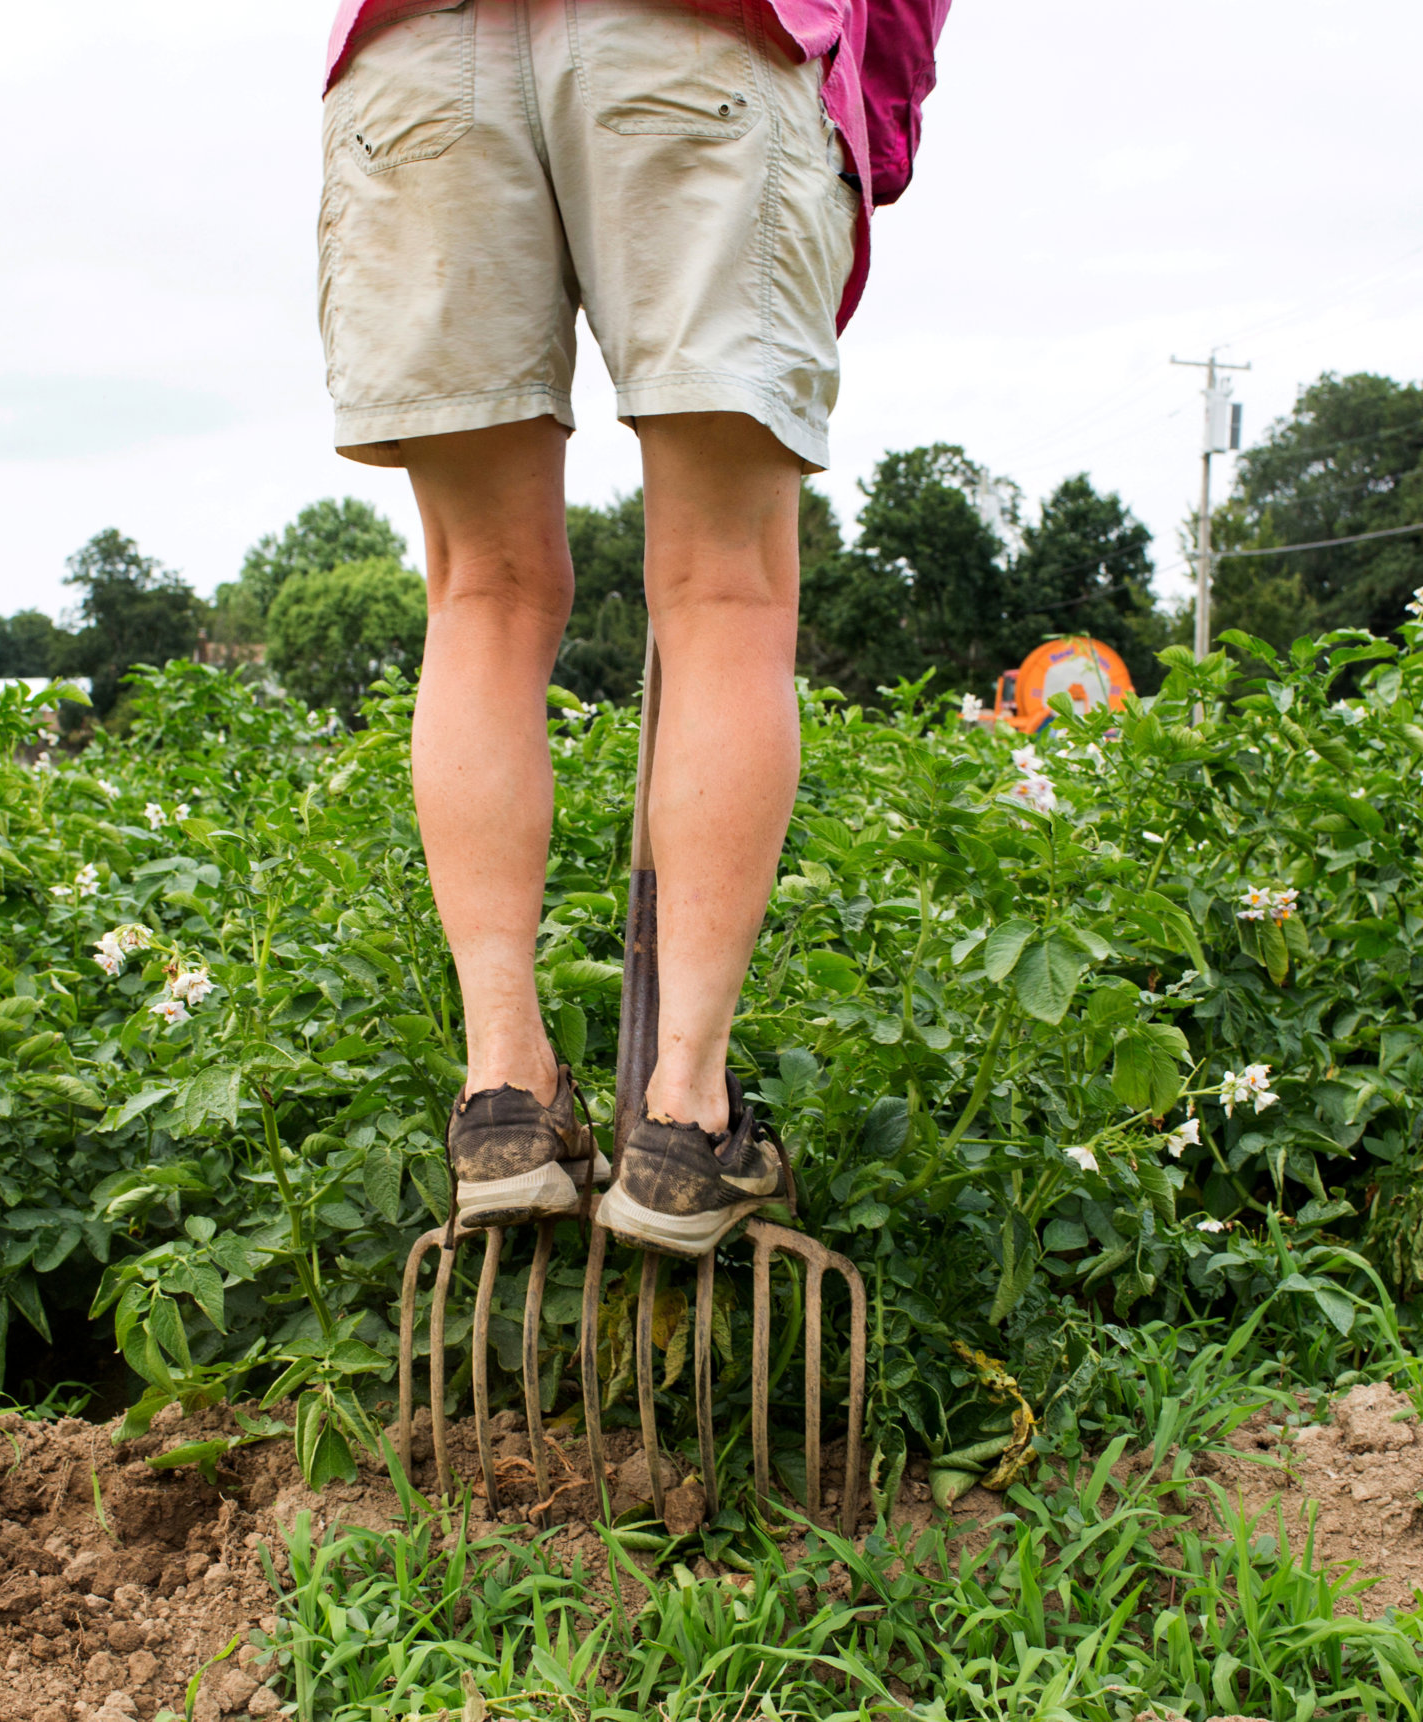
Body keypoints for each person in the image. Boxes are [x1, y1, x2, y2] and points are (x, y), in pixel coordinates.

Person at [317, 0, 949, 1254]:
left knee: (481, 591)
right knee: (725, 587)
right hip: (695, 39)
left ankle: (502, 1097)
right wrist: (865, 124)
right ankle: (684, 1115)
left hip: (419, 58)